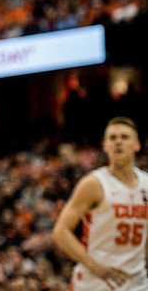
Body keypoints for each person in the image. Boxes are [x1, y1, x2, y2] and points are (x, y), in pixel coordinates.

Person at [52, 116, 148, 291]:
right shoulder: (94, 183)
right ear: (105, 146)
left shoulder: (146, 183)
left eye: (124, 137)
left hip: (136, 280)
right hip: (95, 281)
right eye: (112, 138)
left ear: (137, 145)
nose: (118, 142)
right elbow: (60, 231)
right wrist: (94, 266)